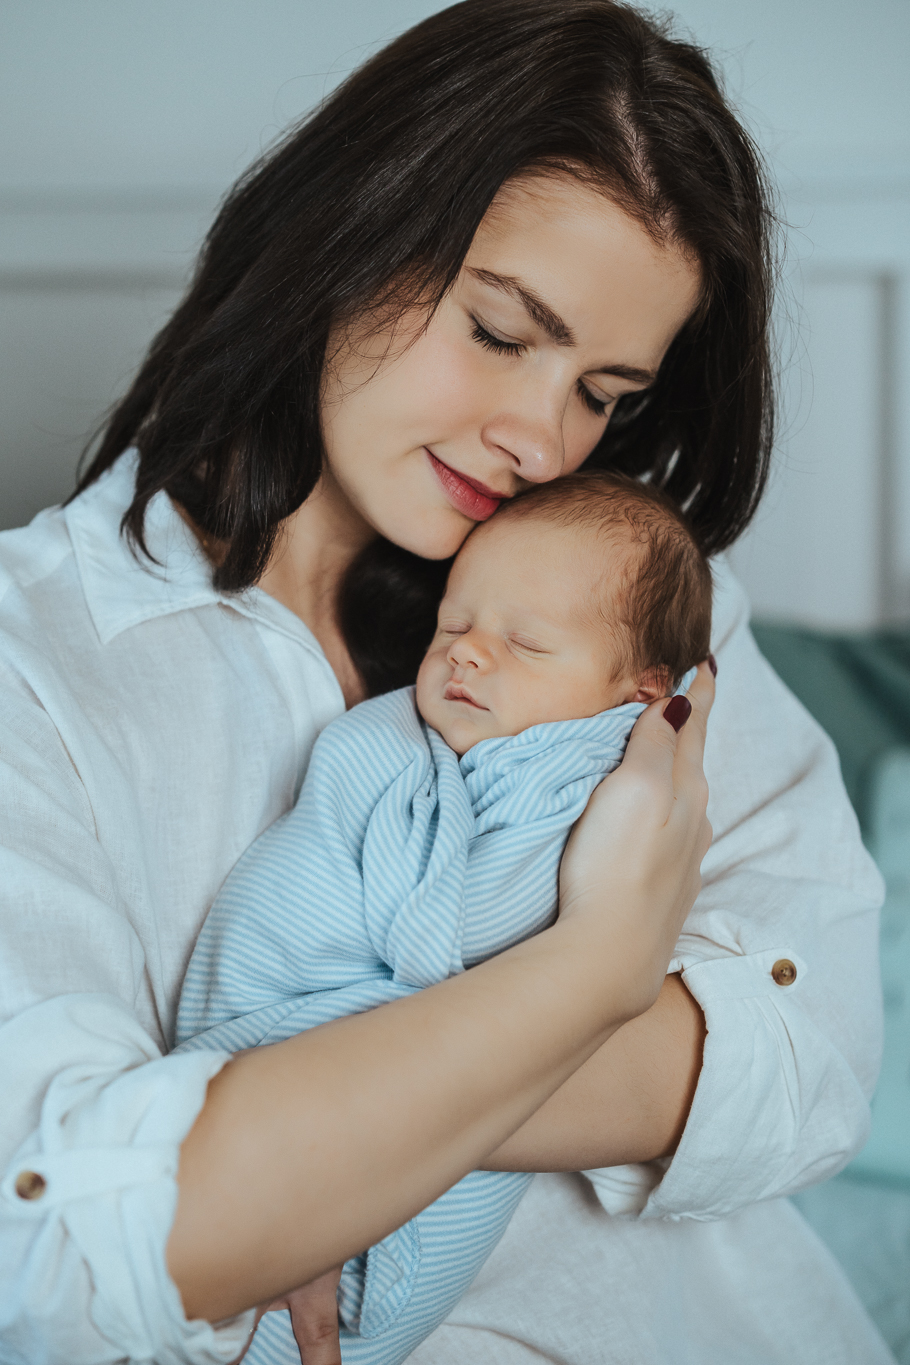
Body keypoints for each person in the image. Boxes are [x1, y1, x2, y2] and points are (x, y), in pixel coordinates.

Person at [0, 3, 889, 1364]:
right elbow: (68, 1249)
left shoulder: (638, 606)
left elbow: (805, 1062)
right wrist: (595, 974)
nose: (542, 437)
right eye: (496, 330)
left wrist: (276, 1140)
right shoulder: (38, 663)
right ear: (340, 236)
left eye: (603, 390)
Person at [174, 472, 711, 1365]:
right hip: (258, 1082)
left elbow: (467, 936)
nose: (465, 654)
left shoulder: (580, 779)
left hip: (359, 1101)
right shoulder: (389, 744)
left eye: (525, 642)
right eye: (454, 625)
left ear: (639, 693)